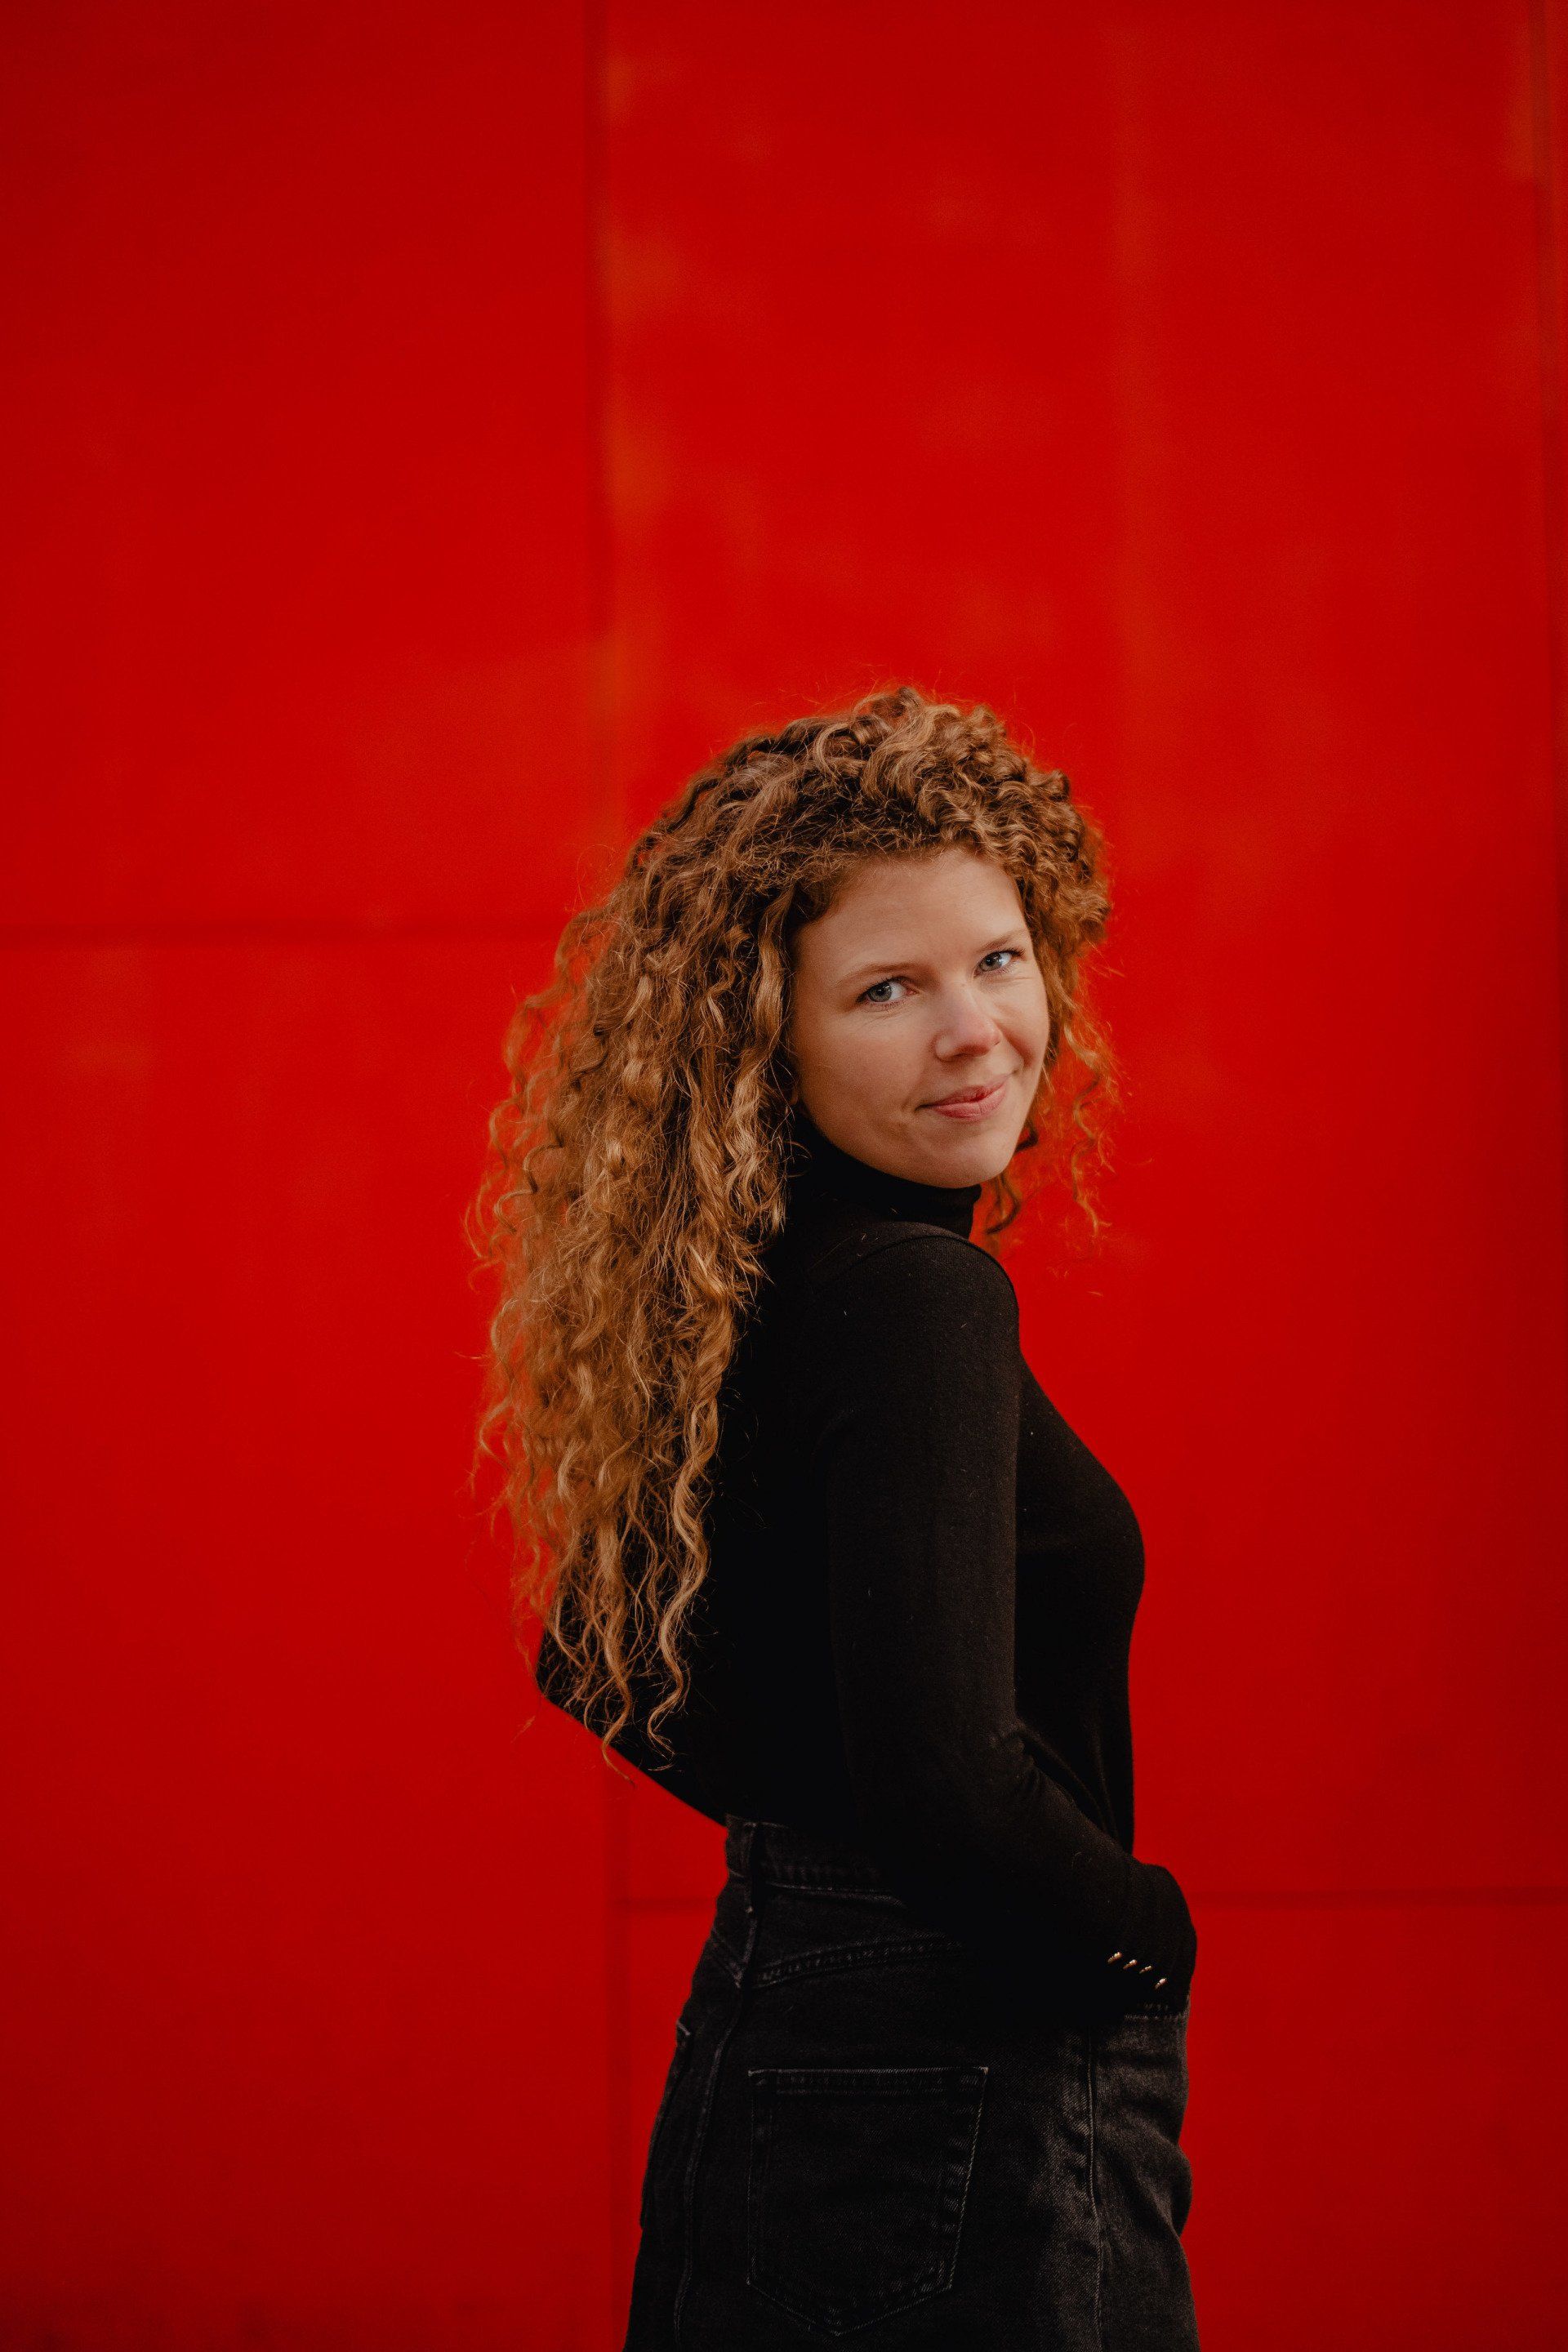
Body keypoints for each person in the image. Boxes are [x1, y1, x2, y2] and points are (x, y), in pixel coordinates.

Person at [470, 685, 1201, 2349]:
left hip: (785, 2019)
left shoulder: (761, 1283)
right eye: (889, 988)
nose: (976, 1031)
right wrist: (1143, 1944)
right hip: (968, 2049)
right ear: (767, 1036)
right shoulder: (917, 1298)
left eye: (998, 959)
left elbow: (597, 1656)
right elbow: (948, 1781)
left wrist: (833, 1880)